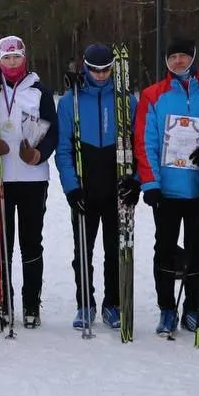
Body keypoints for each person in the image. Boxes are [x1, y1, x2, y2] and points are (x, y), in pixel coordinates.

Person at [0, 34, 58, 329]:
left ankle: (31, 303)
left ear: (24, 58)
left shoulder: (40, 91)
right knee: (2, 243)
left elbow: (52, 132)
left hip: (32, 178)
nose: (11, 62)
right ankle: (3, 302)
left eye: (16, 57)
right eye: (6, 57)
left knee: (32, 243)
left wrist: (38, 154)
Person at [133, 37, 199, 339]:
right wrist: (151, 183)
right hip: (167, 191)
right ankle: (167, 309)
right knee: (166, 250)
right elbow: (145, 142)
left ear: (193, 57)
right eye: (173, 57)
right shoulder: (153, 95)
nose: (179, 61)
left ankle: (194, 310)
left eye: (184, 55)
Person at [55, 44, 140, 331]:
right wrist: (71, 188)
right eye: (95, 69)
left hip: (116, 182)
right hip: (85, 183)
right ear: (85, 68)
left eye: (106, 70)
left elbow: (138, 146)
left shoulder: (127, 101)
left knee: (115, 248)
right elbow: (64, 149)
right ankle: (85, 303)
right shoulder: (71, 101)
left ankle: (112, 303)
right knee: (83, 249)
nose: (101, 75)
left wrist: (135, 180)